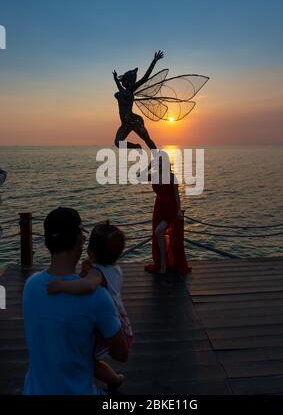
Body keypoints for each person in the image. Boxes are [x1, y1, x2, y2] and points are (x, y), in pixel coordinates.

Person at [23, 207, 128, 395]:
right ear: (79, 240)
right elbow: (121, 354)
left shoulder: (30, 287)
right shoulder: (97, 297)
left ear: (47, 242)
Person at [47, 220, 133, 391]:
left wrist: (62, 285)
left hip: (107, 325)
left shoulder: (96, 273)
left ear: (91, 252)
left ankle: (113, 379)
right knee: (90, 360)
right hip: (119, 321)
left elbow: (88, 286)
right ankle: (114, 380)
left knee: (88, 360)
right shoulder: (115, 268)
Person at [145, 154, 191, 275]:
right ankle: (162, 263)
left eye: (161, 161)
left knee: (159, 232)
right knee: (157, 234)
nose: (159, 163)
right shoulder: (154, 176)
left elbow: (177, 195)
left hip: (170, 208)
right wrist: (149, 166)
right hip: (159, 208)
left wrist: (179, 210)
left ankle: (165, 264)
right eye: (157, 161)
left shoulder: (172, 177)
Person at [113, 50, 164, 150]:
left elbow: (145, 78)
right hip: (125, 124)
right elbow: (119, 86)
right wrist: (115, 78)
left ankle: (158, 156)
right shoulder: (122, 91)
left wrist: (154, 61)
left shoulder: (131, 90)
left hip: (134, 121)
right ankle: (136, 146)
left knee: (147, 139)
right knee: (118, 142)